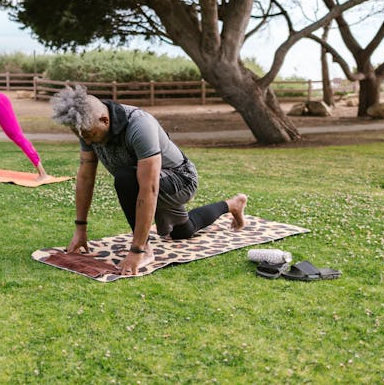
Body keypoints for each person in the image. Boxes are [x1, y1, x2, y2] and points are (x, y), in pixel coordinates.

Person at [50, 85, 247, 276]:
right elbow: (85, 177)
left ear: (105, 120)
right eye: (83, 137)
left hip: (180, 179)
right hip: (150, 181)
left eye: (91, 135)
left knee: (125, 178)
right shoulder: (87, 126)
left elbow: (149, 188)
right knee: (183, 231)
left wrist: (137, 249)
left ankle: (145, 249)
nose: (89, 142)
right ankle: (232, 205)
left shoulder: (139, 125)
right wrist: (80, 230)